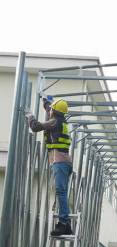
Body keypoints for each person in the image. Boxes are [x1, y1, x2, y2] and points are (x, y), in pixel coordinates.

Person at [26, 96, 73, 236]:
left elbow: (35, 127)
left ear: (55, 111)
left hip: (60, 162)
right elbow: (50, 110)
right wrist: (46, 102)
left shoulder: (54, 122)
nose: (49, 110)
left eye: (51, 108)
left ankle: (63, 223)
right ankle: (68, 226)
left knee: (61, 192)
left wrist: (30, 116)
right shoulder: (59, 120)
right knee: (62, 192)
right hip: (63, 162)